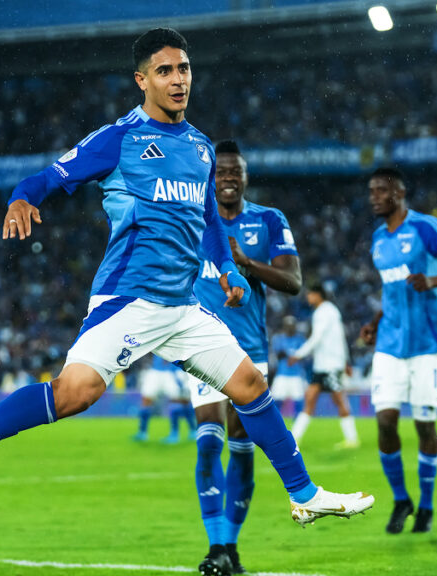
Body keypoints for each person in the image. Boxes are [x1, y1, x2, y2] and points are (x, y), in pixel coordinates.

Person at [0, 28, 373, 532]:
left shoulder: (201, 148)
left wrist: (225, 270)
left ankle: (304, 495)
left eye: (184, 69)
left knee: (249, 384)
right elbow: (45, 178)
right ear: (142, 80)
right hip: (130, 297)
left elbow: (210, 224)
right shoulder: (119, 138)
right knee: (75, 394)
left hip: (182, 307)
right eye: (164, 71)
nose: (178, 80)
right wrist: (22, 199)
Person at [184, 139, 302, 576]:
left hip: (250, 351)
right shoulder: (192, 218)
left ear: (246, 179)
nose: (228, 179)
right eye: (222, 173)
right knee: (208, 439)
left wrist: (246, 263)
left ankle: (229, 547)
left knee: (242, 446)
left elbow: (292, 281)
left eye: (236, 173)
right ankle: (216, 546)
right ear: (210, 178)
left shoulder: (269, 220)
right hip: (199, 345)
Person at [359, 167, 437, 534]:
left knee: (425, 426)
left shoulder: (426, 227)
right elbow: (392, 289)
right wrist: (376, 322)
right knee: (385, 421)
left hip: (428, 344)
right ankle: (400, 500)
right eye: (371, 191)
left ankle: (425, 505)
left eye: (381, 190)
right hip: (390, 344)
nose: (374, 197)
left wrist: (434, 280)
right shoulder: (378, 239)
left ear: (399, 192)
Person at [288, 285, 359, 450]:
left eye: (310, 294)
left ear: (318, 295)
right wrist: (346, 361)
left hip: (331, 365)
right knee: (310, 398)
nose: (308, 297)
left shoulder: (323, 312)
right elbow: (340, 338)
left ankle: (352, 439)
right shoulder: (331, 311)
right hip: (324, 365)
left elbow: (316, 337)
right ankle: (294, 439)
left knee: (338, 399)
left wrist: (298, 354)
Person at [133, 353, 195, 443]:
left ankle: (182, 432)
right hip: (156, 369)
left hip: (174, 369)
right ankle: (142, 432)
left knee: (180, 400)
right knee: (146, 399)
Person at [270, 316, 307, 416]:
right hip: (282, 374)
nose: (290, 328)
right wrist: (293, 355)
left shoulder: (300, 338)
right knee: (276, 401)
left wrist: (291, 355)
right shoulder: (278, 338)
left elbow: (304, 355)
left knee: (299, 402)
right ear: (284, 326)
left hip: (296, 374)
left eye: (291, 326)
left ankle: (297, 428)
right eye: (288, 326)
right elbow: (278, 354)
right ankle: (277, 424)